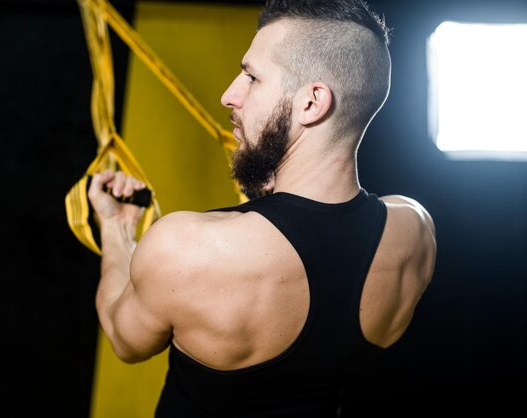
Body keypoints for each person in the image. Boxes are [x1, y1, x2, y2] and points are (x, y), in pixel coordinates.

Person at [88, 0, 436, 416]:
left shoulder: (186, 247)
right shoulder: (413, 231)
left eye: (252, 77)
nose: (229, 95)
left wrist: (115, 228)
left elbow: (124, 340)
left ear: (311, 103)